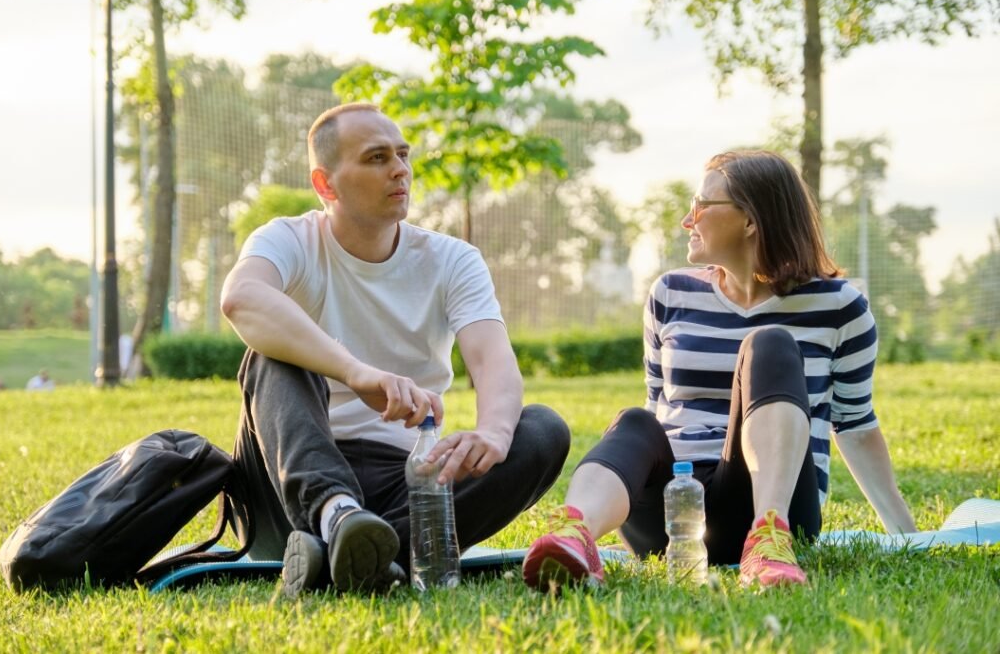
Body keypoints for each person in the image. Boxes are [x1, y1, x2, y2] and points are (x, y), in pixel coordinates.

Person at [522, 150, 917, 591]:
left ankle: (768, 541)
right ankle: (574, 536)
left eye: (701, 205)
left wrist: (909, 537)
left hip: (774, 506)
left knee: (769, 344)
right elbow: (659, 412)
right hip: (671, 518)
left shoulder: (839, 307)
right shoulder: (670, 293)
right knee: (636, 420)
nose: (687, 220)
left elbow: (855, 426)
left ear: (750, 221)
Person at [220, 102, 570, 596]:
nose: (400, 170)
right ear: (326, 185)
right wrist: (356, 373)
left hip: (403, 486)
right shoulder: (287, 239)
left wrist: (492, 432)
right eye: (377, 157)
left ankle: (359, 553)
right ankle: (336, 518)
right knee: (272, 353)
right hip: (284, 488)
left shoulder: (452, 259)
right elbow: (241, 298)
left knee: (541, 432)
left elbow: (493, 359)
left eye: (403, 155)